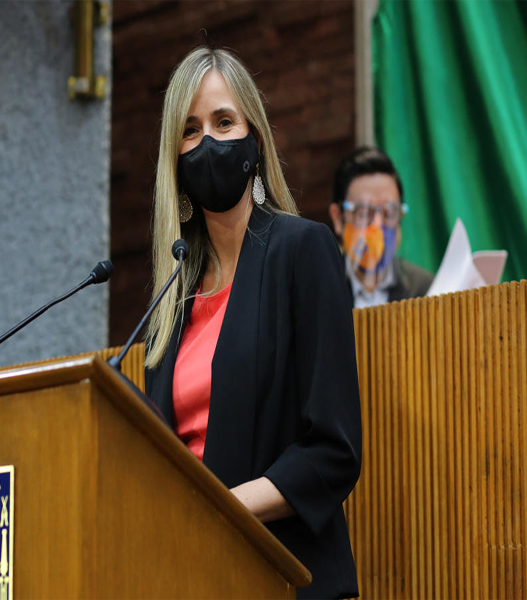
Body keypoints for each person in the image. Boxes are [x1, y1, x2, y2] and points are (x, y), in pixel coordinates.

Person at [143, 47, 362, 599]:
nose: (208, 144)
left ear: (255, 139)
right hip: (192, 576)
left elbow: (333, 452)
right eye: (190, 131)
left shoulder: (302, 251)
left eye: (223, 122)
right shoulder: (173, 295)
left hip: (283, 575)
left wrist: (224, 509)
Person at [330, 147, 434, 308]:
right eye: (364, 213)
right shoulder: (320, 288)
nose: (378, 225)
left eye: (389, 212)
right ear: (338, 218)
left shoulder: (425, 291)